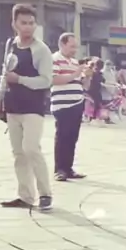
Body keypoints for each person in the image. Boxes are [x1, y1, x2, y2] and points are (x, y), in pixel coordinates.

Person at [0, 4, 52, 210]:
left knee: (31, 148)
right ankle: (25, 196)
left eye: (31, 23)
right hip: (13, 106)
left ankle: (45, 194)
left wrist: (19, 79)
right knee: (18, 153)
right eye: (23, 23)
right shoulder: (11, 45)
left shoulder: (41, 49)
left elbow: (46, 80)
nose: (28, 27)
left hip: (33, 107)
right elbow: (5, 73)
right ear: (14, 24)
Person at [51, 32, 86, 181]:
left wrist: (87, 75)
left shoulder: (74, 62)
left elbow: (83, 84)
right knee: (62, 136)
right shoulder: (54, 59)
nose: (74, 50)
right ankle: (59, 169)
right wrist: (75, 74)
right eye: (72, 47)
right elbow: (54, 79)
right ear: (62, 44)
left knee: (72, 137)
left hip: (77, 102)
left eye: (76, 47)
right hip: (62, 104)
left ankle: (68, 168)